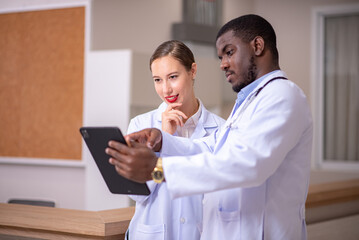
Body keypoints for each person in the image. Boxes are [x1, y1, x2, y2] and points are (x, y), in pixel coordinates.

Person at [107, 14, 313, 240]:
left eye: (229, 52)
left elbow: (246, 165)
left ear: (257, 45)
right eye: (221, 56)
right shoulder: (249, 102)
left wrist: (159, 168)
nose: (223, 64)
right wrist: (163, 140)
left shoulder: (282, 96)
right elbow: (214, 147)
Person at [125, 40, 225, 240]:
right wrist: (165, 138)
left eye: (172, 77)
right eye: (158, 80)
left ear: (193, 71)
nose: (166, 89)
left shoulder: (221, 129)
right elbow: (137, 194)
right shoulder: (141, 124)